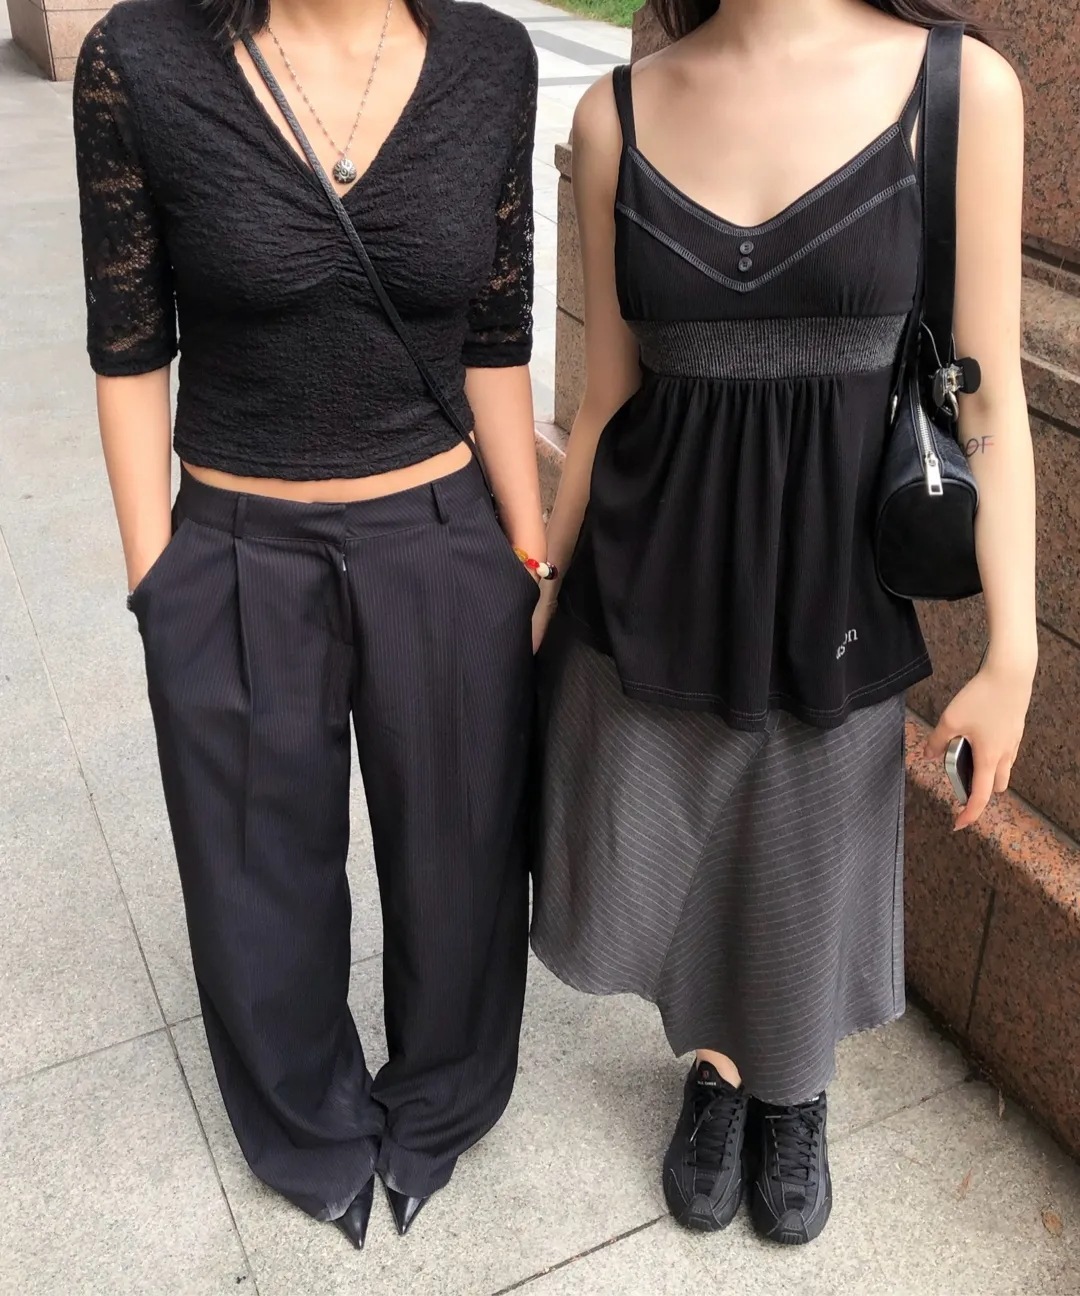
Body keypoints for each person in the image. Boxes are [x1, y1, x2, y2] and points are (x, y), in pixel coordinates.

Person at [531, 0, 1035, 1247]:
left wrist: (1015, 652)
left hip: (836, 582)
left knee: (810, 844)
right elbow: (605, 400)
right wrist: (547, 583)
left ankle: (793, 1087)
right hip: (655, 573)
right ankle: (717, 1069)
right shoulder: (616, 114)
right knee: (690, 835)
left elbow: (988, 399)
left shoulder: (959, 91)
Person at [73, 0, 544, 1249]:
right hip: (237, 544)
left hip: (442, 536)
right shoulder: (140, 59)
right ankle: (306, 1120)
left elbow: (497, 337)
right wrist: (158, 579)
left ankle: (442, 1097)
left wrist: (526, 551)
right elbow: (130, 349)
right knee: (254, 869)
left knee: (462, 857)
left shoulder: (491, 60)